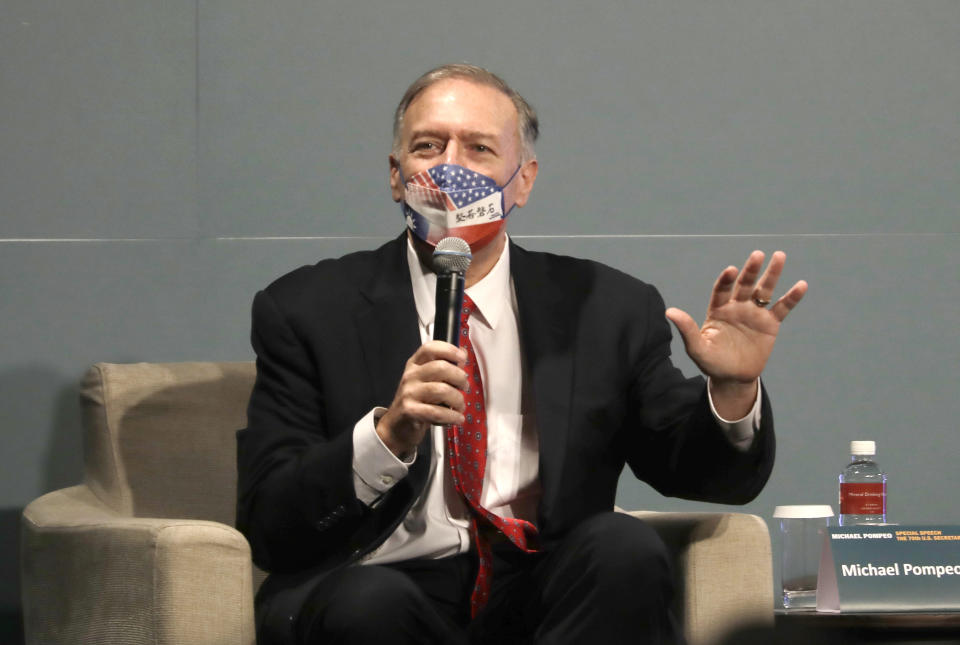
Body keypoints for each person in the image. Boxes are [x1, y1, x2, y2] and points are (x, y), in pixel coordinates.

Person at [236, 63, 807, 645]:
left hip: (537, 592)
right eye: (428, 146)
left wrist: (733, 390)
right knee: (368, 603)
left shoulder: (604, 307)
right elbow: (270, 522)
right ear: (395, 174)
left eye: (479, 149)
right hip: (376, 586)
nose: (450, 167)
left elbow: (695, 470)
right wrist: (387, 435)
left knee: (622, 548)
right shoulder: (306, 308)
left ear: (524, 180)